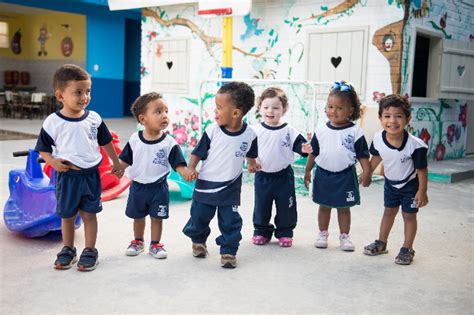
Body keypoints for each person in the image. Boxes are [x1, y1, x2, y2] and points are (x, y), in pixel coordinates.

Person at [35, 64, 123, 271]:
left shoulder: (94, 119)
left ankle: (90, 250)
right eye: (78, 92)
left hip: (91, 176)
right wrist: (53, 162)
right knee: (67, 216)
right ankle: (68, 249)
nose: (84, 97)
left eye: (88, 91)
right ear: (60, 95)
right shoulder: (53, 122)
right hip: (67, 177)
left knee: (89, 214)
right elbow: (43, 149)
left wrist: (115, 161)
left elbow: (106, 141)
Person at [182, 81, 259, 269]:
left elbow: (251, 153)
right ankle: (198, 240)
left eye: (219, 108)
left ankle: (228, 251)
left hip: (230, 188)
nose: (214, 112)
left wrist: (252, 164)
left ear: (236, 112)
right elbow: (197, 152)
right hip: (205, 185)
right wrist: (191, 168)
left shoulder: (250, 135)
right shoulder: (212, 131)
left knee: (231, 221)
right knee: (199, 217)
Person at [119, 92, 192, 259]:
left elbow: (178, 164)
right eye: (158, 112)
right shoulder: (135, 139)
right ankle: (138, 241)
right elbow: (125, 160)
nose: (164, 115)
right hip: (137, 187)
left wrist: (185, 173)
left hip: (159, 188)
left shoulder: (169, 143)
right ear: (143, 119)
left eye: (166, 111)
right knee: (138, 217)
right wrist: (118, 169)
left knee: (157, 218)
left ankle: (155, 244)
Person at [304, 81, 371, 251]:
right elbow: (314, 152)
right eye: (330, 106)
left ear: (350, 110)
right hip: (324, 175)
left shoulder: (355, 132)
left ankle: (344, 236)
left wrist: (367, 172)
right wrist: (307, 171)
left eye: (339, 108)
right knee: (324, 206)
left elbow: (363, 154)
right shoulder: (321, 130)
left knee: (344, 208)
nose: (333, 111)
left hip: (345, 175)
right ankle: (322, 233)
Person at [364, 94, 428, 265]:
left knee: (409, 215)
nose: (392, 121)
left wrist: (422, 191)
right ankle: (381, 242)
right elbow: (376, 157)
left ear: (408, 118)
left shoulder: (416, 145)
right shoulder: (378, 138)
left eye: (398, 116)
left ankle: (407, 248)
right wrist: (367, 173)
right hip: (391, 184)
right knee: (388, 212)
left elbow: (422, 170)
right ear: (380, 118)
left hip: (410, 186)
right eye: (387, 116)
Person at [251, 87, 312, 247]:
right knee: (261, 206)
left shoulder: (289, 130)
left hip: (283, 176)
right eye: (266, 107)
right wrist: (251, 161)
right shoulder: (255, 130)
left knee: (286, 206)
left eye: (276, 107)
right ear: (260, 108)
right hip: (262, 176)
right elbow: (247, 149)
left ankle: (285, 232)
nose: (270, 111)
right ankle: (261, 231)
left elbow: (299, 144)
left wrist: (303, 148)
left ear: (284, 109)